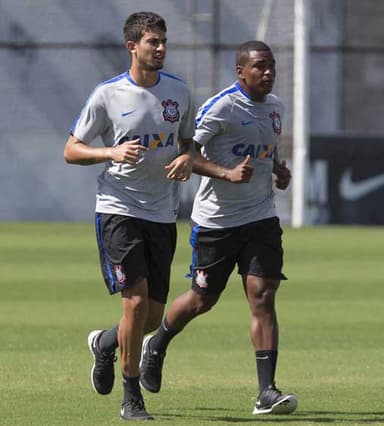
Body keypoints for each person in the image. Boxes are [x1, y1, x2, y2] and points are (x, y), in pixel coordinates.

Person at [139, 40, 297, 416]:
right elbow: (186, 153)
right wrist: (225, 172)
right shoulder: (222, 106)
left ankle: (266, 393)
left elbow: (267, 147)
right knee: (201, 300)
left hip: (261, 218)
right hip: (217, 222)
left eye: (272, 65)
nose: (269, 72)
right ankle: (157, 342)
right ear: (240, 71)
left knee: (263, 296)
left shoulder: (276, 108)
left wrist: (277, 168)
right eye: (260, 66)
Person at [63, 11, 195, 421]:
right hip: (118, 209)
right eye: (152, 41)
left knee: (152, 316)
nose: (159, 48)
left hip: (162, 213)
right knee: (135, 304)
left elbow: (188, 141)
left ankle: (104, 344)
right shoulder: (107, 95)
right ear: (132, 46)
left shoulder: (179, 93)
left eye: (163, 41)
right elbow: (71, 149)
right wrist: (110, 152)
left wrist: (188, 158)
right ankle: (131, 397)